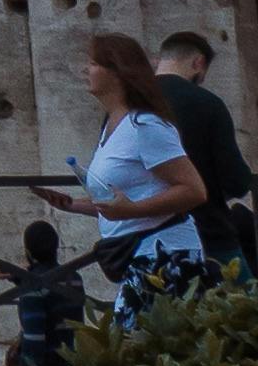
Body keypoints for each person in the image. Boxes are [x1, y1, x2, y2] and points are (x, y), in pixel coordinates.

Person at [32, 27, 208, 317]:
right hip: (139, 255)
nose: (85, 69)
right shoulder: (113, 126)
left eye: (93, 63)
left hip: (164, 255)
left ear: (117, 72)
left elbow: (194, 190)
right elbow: (122, 202)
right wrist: (73, 205)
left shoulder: (146, 125)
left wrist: (133, 210)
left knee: (136, 347)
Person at [149, 30, 258, 279]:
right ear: (198, 63)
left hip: (146, 240)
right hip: (208, 233)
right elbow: (236, 179)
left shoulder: (128, 105)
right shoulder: (207, 103)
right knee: (248, 310)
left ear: (161, 59)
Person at [9, 212, 81, 366]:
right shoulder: (75, 279)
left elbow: (34, 338)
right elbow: (53, 296)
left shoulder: (32, 288)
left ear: (28, 252)